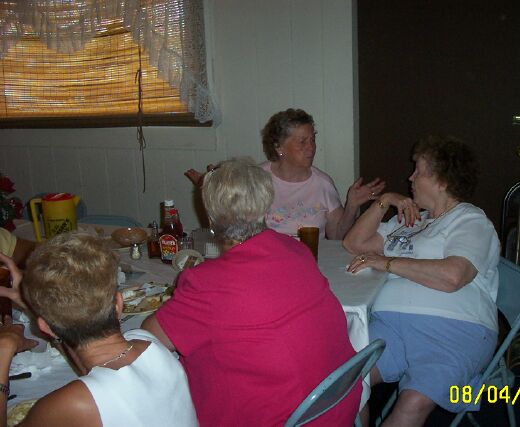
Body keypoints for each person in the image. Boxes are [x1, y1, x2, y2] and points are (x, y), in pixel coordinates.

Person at [144, 157, 360, 426]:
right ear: (265, 205)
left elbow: (150, 337)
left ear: (210, 218)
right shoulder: (296, 250)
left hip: (290, 419)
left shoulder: (207, 284)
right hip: (338, 405)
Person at [343, 135, 500, 426]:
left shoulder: (470, 220)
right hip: (390, 326)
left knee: (414, 401)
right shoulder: (408, 220)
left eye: (419, 171)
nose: (410, 177)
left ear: (442, 181)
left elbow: (453, 276)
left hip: (454, 329)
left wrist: (387, 262)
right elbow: (354, 244)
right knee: (344, 381)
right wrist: (385, 201)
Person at [0, 235, 198, 427]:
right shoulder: (147, 342)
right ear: (119, 303)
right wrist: (38, 311)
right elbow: (95, 377)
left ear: (45, 328)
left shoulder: (72, 403)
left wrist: (5, 348)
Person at [185, 108, 385, 239]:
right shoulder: (256, 178)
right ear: (279, 147)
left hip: (310, 262)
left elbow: (337, 237)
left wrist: (351, 206)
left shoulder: (322, 183)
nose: (311, 147)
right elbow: (232, 226)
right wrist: (212, 187)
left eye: (312, 139)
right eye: (302, 142)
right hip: (266, 261)